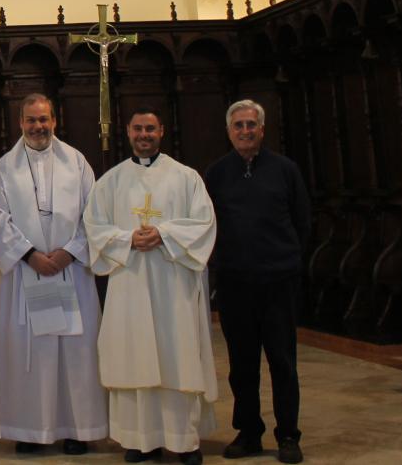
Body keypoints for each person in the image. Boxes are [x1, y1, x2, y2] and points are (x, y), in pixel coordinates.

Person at [84, 109, 217, 465]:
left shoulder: (186, 178)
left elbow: (204, 223)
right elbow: (94, 229)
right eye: (138, 128)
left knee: (177, 356)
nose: (144, 134)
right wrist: (129, 238)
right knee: (134, 355)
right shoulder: (110, 182)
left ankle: (184, 441)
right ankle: (139, 440)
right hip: (130, 285)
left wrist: (164, 233)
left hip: (174, 286)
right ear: (128, 132)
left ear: (162, 131)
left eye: (150, 129)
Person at [0, 94, 106, 456]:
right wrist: (29, 255)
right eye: (31, 120)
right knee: (31, 352)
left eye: (44, 119)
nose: (38, 126)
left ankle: (77, 428)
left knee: (75, 351)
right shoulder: (5, 168)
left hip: (71, 272)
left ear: (54, 120)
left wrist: (71, 252)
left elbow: (95, 213)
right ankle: (30, 429)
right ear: (20, 122)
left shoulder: (77, 162)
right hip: (27, 274)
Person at [204, 101, 310, 465]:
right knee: (242, 365)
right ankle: (248, 432)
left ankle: (288, 436)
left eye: (252, 125)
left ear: (262, 130)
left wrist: (288, 262)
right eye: (239, 125)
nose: (245, 131)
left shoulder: (285, 170)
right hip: (235, 283)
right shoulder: (216, 173)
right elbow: (208, 227)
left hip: (278, 282)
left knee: (282, 362)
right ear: (229, 130)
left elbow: (301, 222)